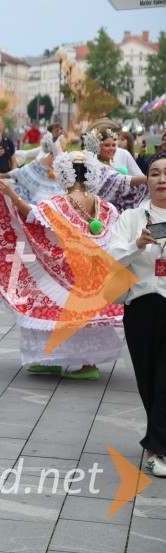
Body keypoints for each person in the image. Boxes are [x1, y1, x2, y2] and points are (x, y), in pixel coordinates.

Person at [0, 151, 124, 378]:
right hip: (92, 272)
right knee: (85, 317)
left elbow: (33, 214)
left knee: (51, 311)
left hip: (66, 269)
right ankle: (87, 365)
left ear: (65, 174)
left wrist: (11, 194)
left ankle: (53, 360)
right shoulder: (104, 206)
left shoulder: (61, 203)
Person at [106, 152, 166, 477]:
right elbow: (111, 257)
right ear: (148, 180)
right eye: (155, 173)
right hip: (142, 307)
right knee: (148, 380)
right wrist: (137, 245)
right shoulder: (132, 218)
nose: (161, 179)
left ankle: (157, 447)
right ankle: (158, 440)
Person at [83, 128, 147, 212]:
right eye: (107, 145)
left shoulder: (111, 163)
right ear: (97, 147)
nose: (111, 148)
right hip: (99, 213)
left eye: (113, 145)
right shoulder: (96, 167)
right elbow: (122, 180)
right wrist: (150, 178)